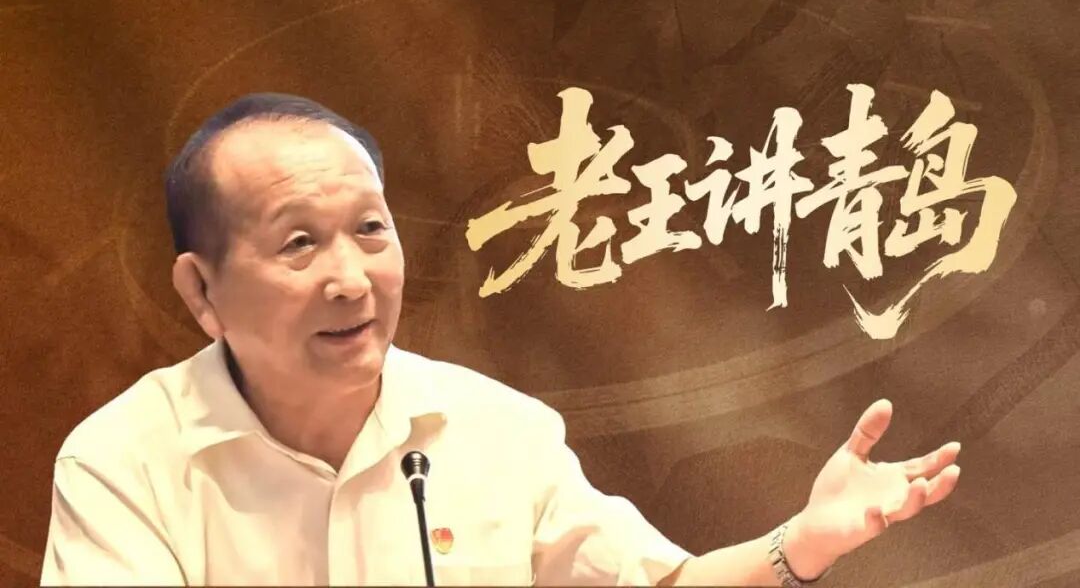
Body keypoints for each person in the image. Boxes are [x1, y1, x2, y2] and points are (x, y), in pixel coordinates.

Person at [41, 93, 962, 586]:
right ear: (202, 291)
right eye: (298, 244)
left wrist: (803, 542)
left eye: (371, 230)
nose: (352, 278)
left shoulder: (498, 430)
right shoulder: (124, 462)